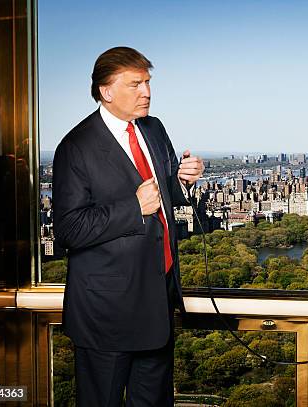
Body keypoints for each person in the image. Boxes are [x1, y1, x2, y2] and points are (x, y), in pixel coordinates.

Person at [53, 46, 204, 406]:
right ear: (106, 91)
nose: (146, 92)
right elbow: (69, 229)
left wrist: (182, 182)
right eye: (135, 84)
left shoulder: (153, 128)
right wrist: (133, 208)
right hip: (107, 312)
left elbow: (162, 196)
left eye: (148, 83)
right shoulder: (76, 147)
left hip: (158, 299)